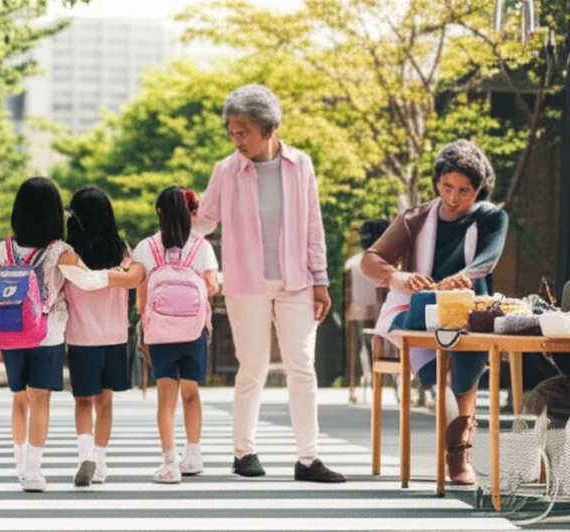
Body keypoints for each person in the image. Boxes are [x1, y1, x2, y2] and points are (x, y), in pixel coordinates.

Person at [195, 84, 345, 483]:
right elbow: (204, 222)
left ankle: (308, 459)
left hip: (297, 281)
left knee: (302, 366)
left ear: (268, 127)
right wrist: (178, 216)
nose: (236, 139)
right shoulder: (226, 171)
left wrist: (320, 280)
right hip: (247, 284)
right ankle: (244, 452)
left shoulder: (300, 165)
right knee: (254, 367)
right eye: (231, 131)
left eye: (243, 131)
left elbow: (314, 226)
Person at [360, 139, 509, 485]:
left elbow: (486, 261)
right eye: (447, 187)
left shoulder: (492, 217)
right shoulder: (416, 218)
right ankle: (457, 453)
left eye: (464, 190)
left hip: (471, 308)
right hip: (420, 312)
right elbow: (372, 260)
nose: (454, 198)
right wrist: (401, 277)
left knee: (465, 375)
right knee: (437, 372)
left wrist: (457, 280)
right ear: (437, 182)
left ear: (480, 189)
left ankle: (459, 455)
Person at [0, 177, 73, 493]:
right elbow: (83, 282)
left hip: (10, 332)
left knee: (19, 399)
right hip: (46, 334)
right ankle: (33, 470)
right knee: (41, 400)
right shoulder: (60, 252)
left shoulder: (2, 249)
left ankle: (20, 462)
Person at [131, 186, 219, 484]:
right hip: (193, 332)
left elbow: (141, 294)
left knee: (165, 399)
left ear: (159, 212)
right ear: (188, 212)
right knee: (191, 394)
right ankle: (193, 455)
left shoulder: (146, 248)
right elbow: (212, 287)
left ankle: (170, 463)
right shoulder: (201, 247)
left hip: (161, 333)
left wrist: (145, 321)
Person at [58, 185, 145, 486]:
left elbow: (71, 285)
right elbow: (133, 279)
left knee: (83, 401)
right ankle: (101, 461)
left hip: (82, 339)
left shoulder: (68, 253)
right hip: (114, 337)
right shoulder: (121, 249)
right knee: (105, 402)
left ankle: (86, 457)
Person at [344, 219, 391, 391]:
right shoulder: (385, 263)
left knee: (362, 342)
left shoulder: (351, 263)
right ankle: (383, 376)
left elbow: (347, 293)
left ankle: (364, 377)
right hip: (382, 311)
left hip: (358, 310)